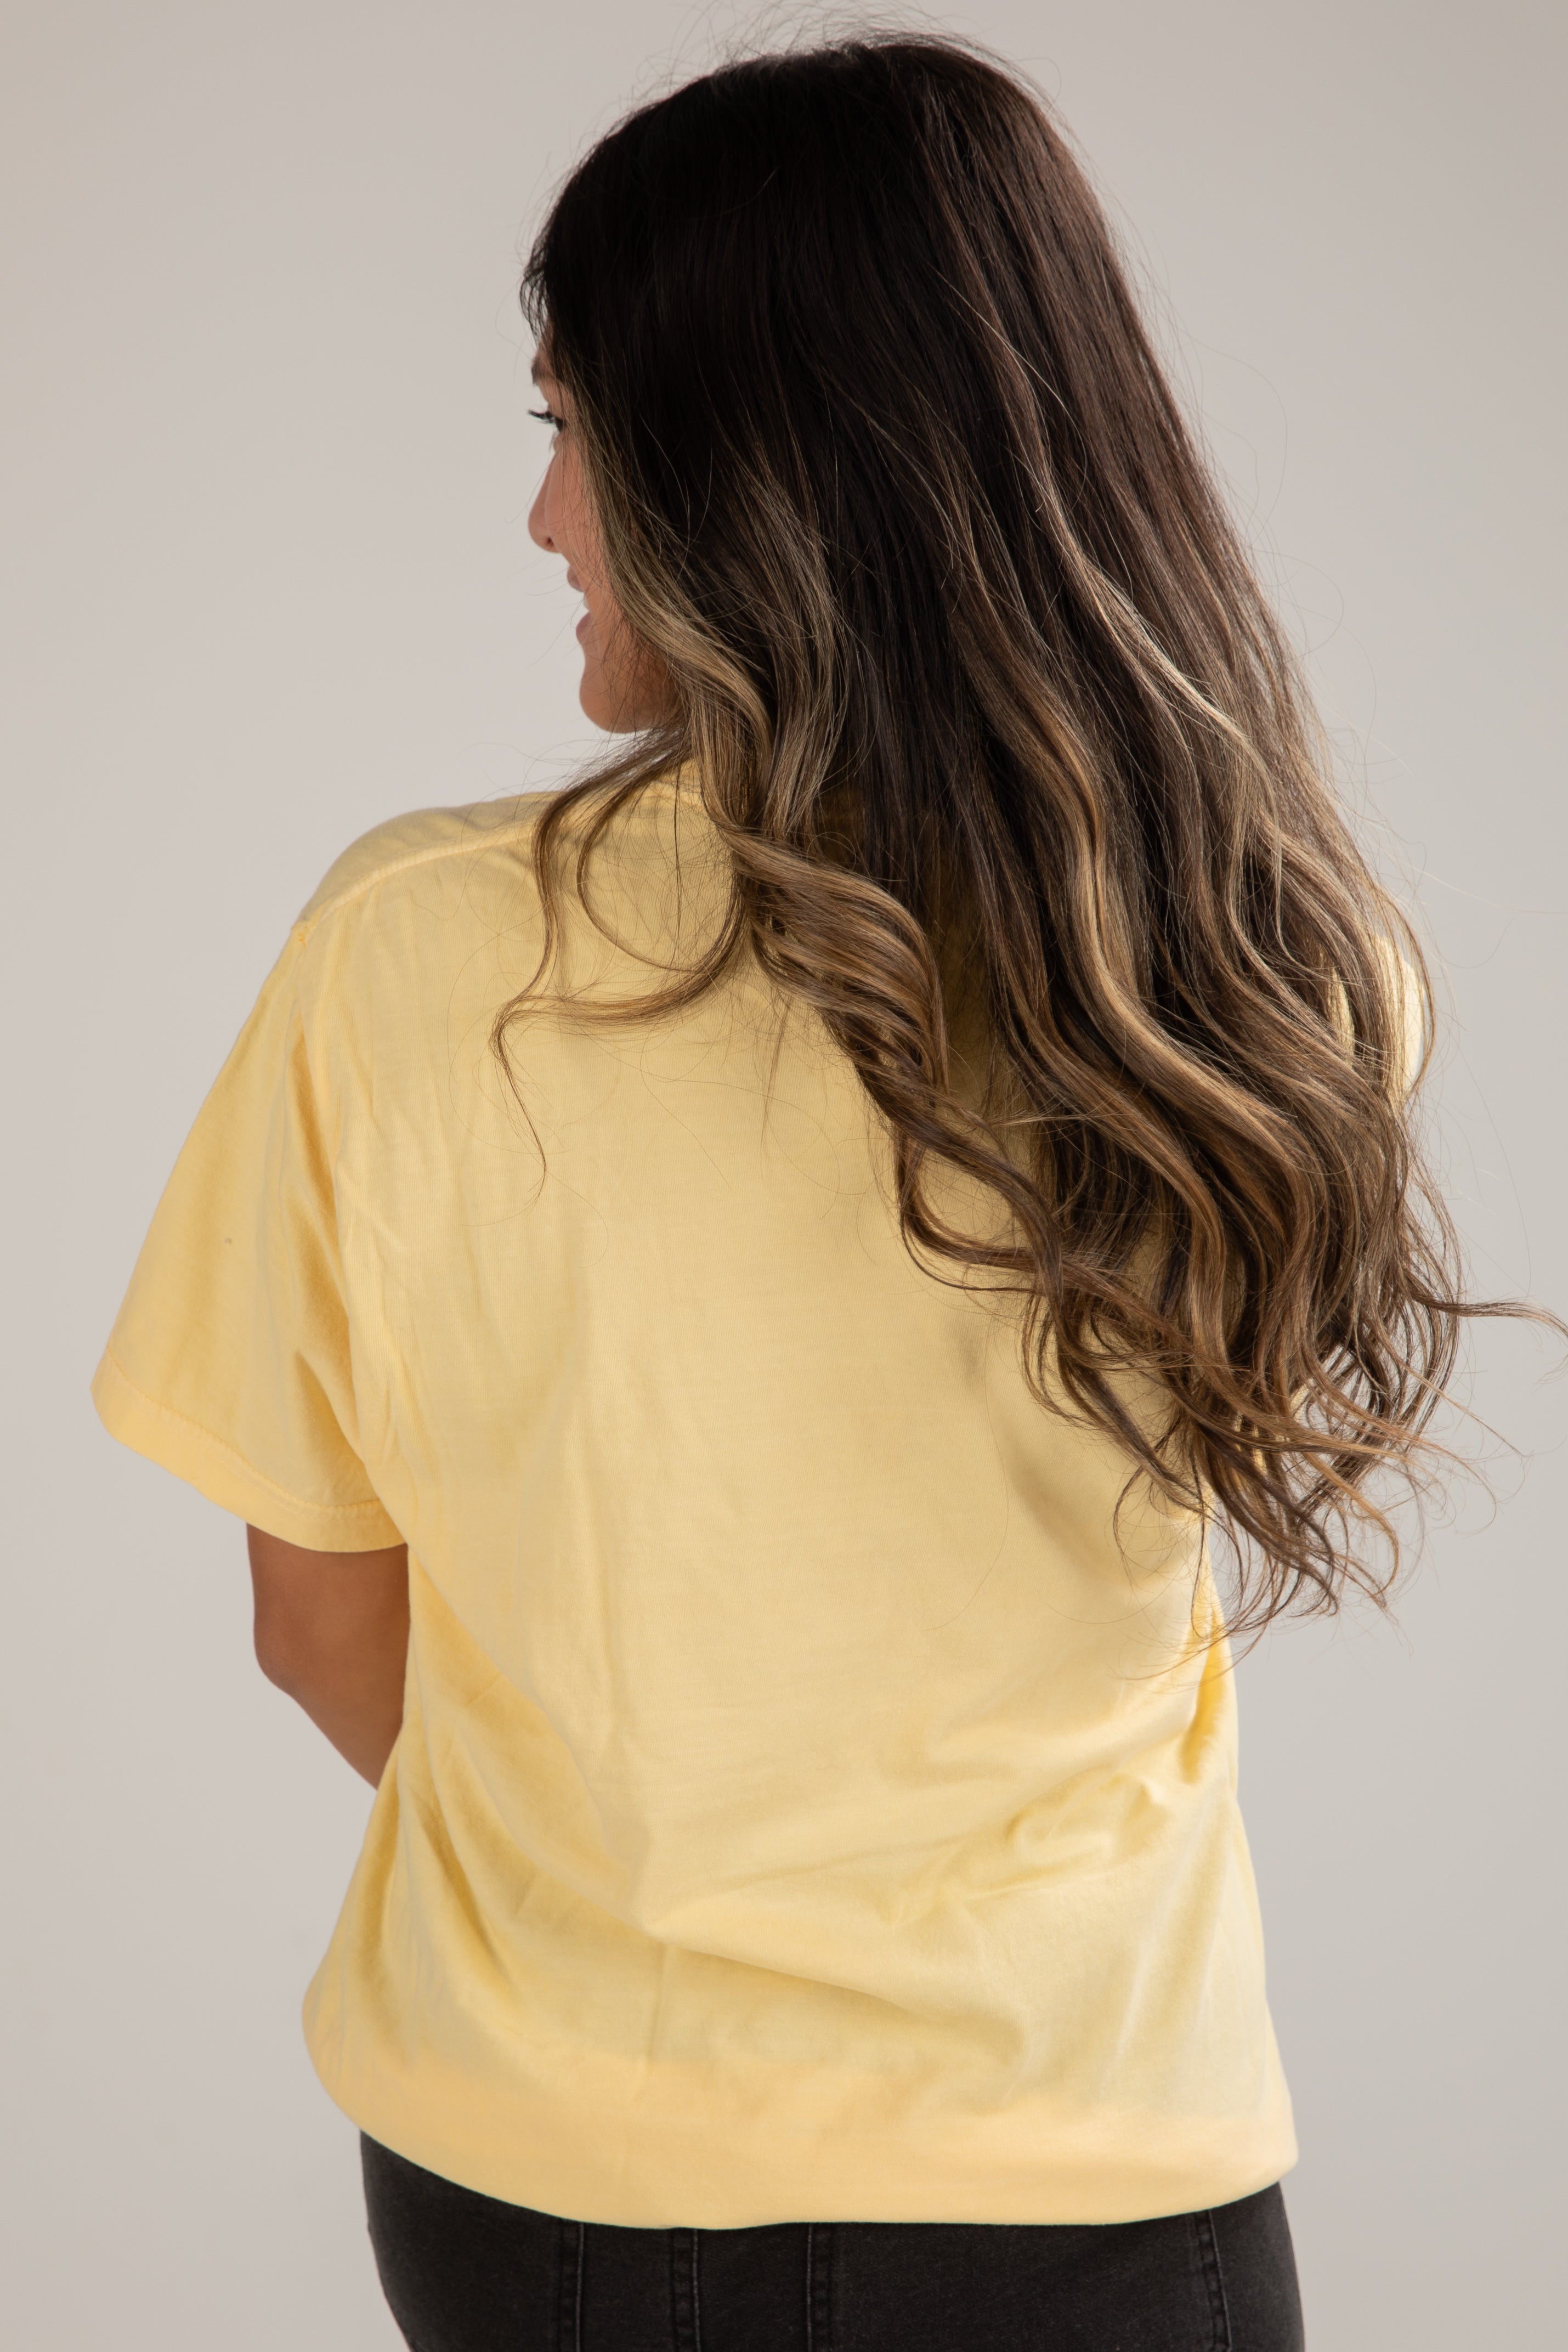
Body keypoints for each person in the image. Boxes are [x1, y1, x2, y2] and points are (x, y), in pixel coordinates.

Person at [92, 33, 1512, 2351]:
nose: (542, 517)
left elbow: (317, 1627)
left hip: (548, 2183)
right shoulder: (1275, 963)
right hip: (1104, 2179)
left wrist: (630, 1882)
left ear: (751, 467)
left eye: (570, 429)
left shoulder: (412, 953)